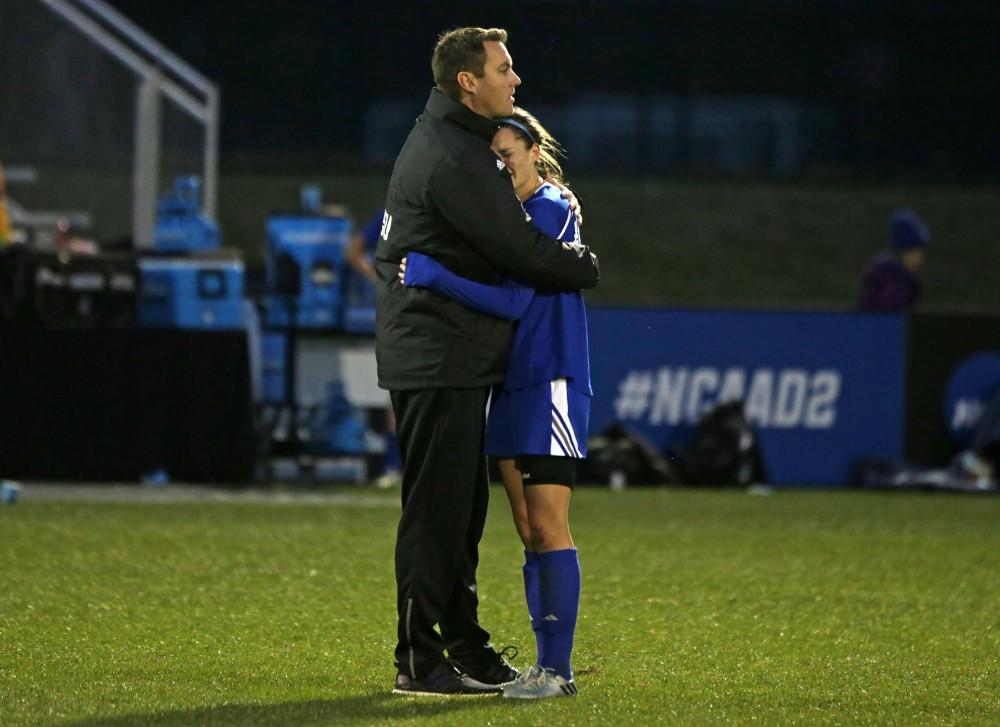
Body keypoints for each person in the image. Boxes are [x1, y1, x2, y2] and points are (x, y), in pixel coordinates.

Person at [375, 27, 599, 696]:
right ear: (468, 81)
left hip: (458, 359)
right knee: (438, 513)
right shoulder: (455, 157)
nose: (515, 79)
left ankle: (465, 646)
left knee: (461, 512)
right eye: (504, 68)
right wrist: (585, 263)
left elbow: (510, 258)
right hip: (438, 355)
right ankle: (419, 657)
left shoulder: (456, 146)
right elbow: (522, 258)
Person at [859, 209, 929, 312]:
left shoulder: (898, 278)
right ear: (904, 252)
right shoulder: (895, 282)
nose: (920, 257)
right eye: (916, 251)